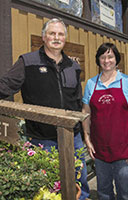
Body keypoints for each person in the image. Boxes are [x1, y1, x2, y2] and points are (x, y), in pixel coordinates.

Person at [0, 18, 90, 200]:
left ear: (65, 38)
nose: (56, 38)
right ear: (44, 37)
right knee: (47, 187)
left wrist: (84, 133)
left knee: (79, 182)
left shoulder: (73, 66)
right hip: (43, 139)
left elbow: (77, 100)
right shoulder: (27, 61)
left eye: (60, 34)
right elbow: (5, 85)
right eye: (52, 33)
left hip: (73, 137)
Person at [82, 43, 128, 200]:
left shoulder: (127, 82)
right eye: (103, 57)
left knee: (124, 192)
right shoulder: (91, 84)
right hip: (100, 148)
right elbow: (86, 113)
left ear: (116, 59)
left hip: (123, 149)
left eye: (110, 56)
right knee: (104, 191)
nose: (106, 60)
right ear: (98, 60)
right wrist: (87, 139)